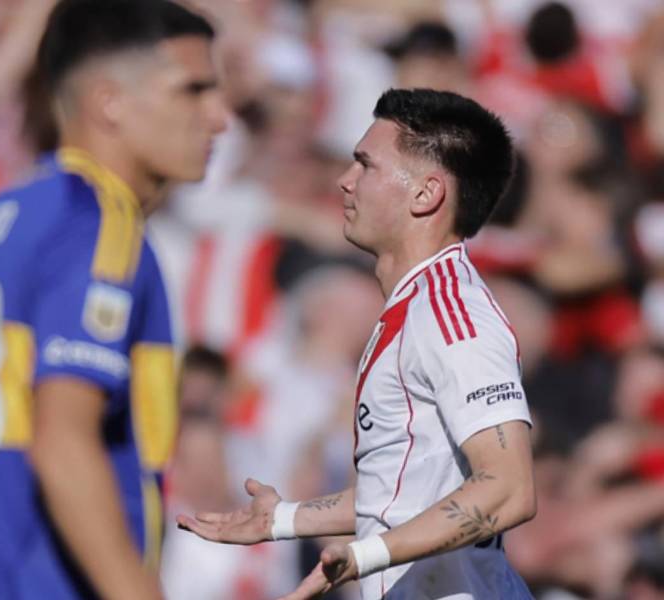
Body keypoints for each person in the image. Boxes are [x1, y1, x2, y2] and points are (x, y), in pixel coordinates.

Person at [0, 0, 227, 598]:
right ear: (108, 100)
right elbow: (62, 441)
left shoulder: (0, 220)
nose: (219, 117)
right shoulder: (102, 226)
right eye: (193, 90)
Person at [177, 88, 537, 600]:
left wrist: (363, 555)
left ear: (425, 194)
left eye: (365, 166)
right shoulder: (413, 309)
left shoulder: (454, 317)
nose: (344, 182)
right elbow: (406, 492)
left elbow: (510, 488)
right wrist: (284, 519)